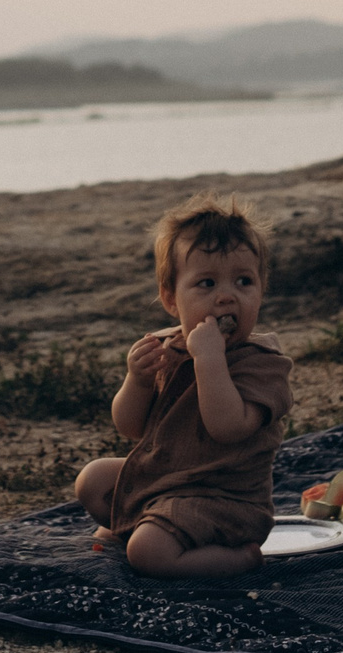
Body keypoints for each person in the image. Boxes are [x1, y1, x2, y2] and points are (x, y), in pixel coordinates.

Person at [74, 193, 294, 578]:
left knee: (147, 553)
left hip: (225, 499)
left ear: (261, 290)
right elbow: (131, 427)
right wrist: (137, 381)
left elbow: (227, 427)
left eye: (244, 281)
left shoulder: (262, 363)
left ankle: (239, 558)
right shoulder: (168, 347)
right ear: (171, 299)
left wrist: (209, 362)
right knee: (92, 480)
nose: (227, 296)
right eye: (206, 283)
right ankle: (148, 523)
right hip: (164, 479)